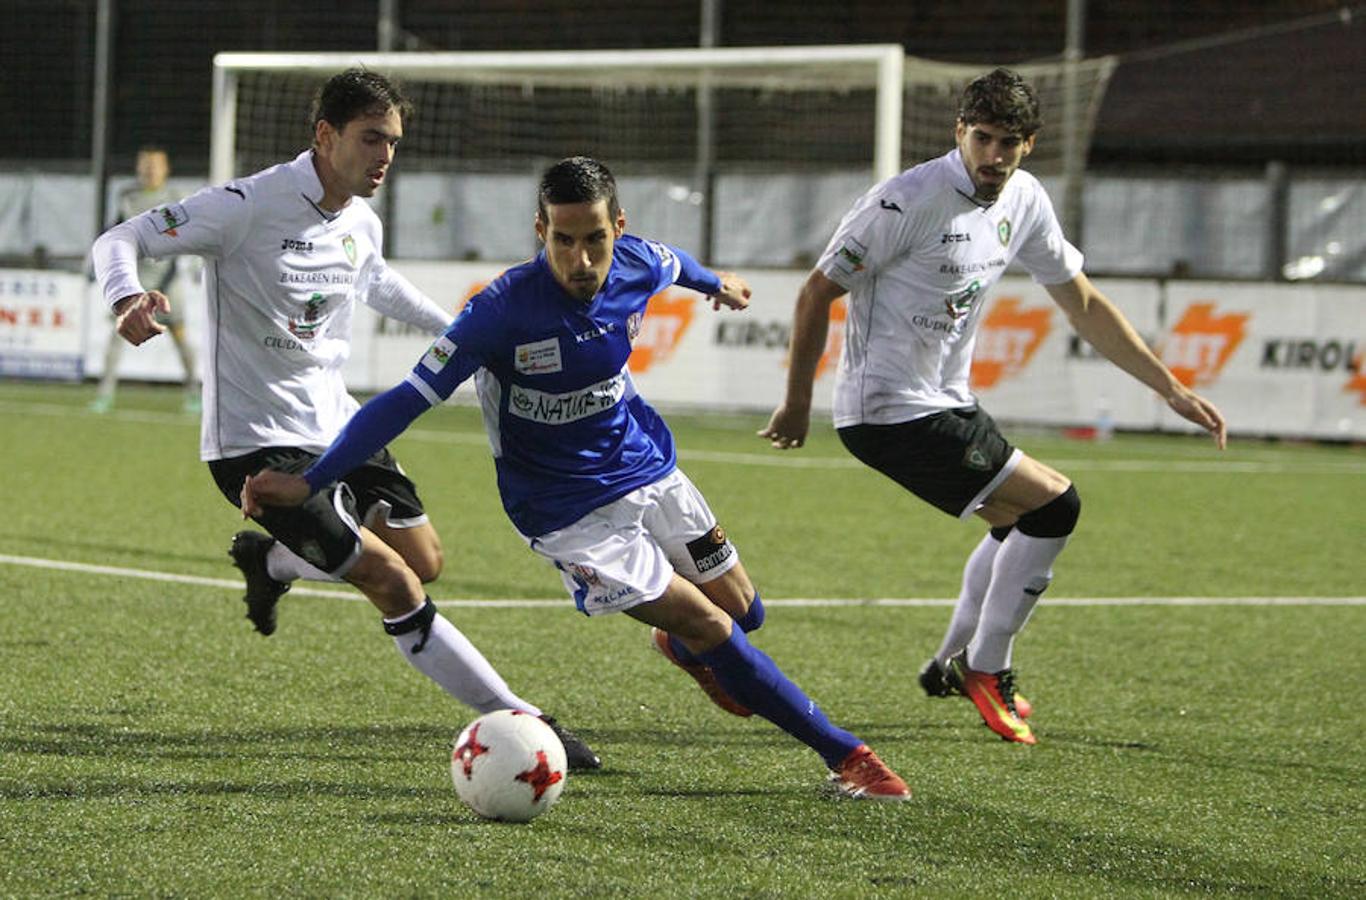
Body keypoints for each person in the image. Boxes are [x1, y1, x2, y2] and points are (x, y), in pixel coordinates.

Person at [242, 156, 912, 801]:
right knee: (710, 623)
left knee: (743, 613)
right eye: (564, 241)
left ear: (618, 226)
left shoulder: (637, 262)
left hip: (645, 464)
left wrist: (718, 285)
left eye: (595, 239)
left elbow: (676, 262)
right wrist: (316, 481)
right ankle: (847, 756)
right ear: (542, 232)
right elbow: (404, 399)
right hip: (566, 512)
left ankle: (680, 647)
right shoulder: (499, 312)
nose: (582, 260)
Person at [90, 69, 600, 771]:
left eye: (392, 141)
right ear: (326, 136)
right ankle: (524, 721)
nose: (385, 155)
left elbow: (375, 280)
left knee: (426, 560)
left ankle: (270, 560)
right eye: (371, 139)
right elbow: (121, 237)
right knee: (395, 582)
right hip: (256, 445)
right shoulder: (246, 206)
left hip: (341, 427)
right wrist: (125, 298)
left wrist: (461, 332)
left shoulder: (361, 216)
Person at [760, 68, 1227, 746]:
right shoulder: (905, 201)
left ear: (1029, 144)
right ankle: (986, 666)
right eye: (981, 138)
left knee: (1017, 527)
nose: (993, 156)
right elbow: (814, 295)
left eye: (1008, 142)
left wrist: (1171, 388)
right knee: (1055, 507)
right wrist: (798, 403)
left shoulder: (1026, 200)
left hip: (948, 401)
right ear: (960, 133)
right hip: (888, 411)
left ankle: (951, 663)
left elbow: (1085, 305)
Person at [91, 146, 200, 414]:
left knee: (181, 338)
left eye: (155, 165)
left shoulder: (175, 199)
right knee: (118, 335)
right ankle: (104, 395)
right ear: (138, 168)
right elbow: (115, 234)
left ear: (165, 169)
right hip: (136, 280)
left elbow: (182, 240)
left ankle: (193, 394)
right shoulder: (127, 197)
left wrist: (166, 281)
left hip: (167, 280)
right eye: (145, 165)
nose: (150, 170)